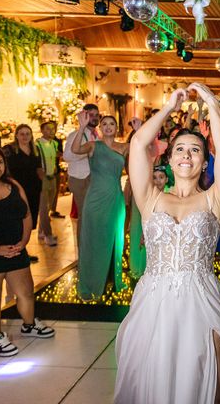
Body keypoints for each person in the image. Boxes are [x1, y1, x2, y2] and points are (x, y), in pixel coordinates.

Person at [115, 84, 220, 403]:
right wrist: (169, 106)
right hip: (154, 302)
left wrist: (211, 100)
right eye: (180, 148)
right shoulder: (150, 198)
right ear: (168, 159)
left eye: (195, 149)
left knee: (207, 385)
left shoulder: (214, 200)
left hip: (201, 300)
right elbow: (140, 142)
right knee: (151, 379)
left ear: (204, 162)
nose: (187, 154)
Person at [0, 146, 54, 357]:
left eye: (0, 162)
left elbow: (26, 214)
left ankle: (29, 325)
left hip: (16, 249)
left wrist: (24, 241)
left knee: (25, 291)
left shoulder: (13, 184)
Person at [71, 114, 129, 300]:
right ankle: (93, 281)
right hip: (95, 200)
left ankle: (112, 280)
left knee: (114, 239)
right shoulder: (93, 145)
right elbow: (74, 149)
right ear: (100, 128)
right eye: (105, 124)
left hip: (115, 198)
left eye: (112, 124)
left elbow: (143, 158)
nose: (109, 127)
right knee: (94, 240)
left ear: (116, 127)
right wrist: (81, 128)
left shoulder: (124, 147)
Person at [3, 124, 43, 263]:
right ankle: (17, 249)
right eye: (22, 134)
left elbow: (39, 168)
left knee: (30, 219)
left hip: (33, 189)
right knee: (18, 219)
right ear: (16, 135)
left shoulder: (35, 149)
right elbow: (4, 169)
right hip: (16, 189)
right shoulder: (9, 149)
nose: (25, 136)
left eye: (28, 133)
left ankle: (24, 247)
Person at [63, 103, 100, 245]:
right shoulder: (75, 135)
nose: (94, 118)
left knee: (92, 216)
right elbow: (67, 156)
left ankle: (92, 247)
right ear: (84, 116)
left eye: (97, 115)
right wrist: (87, 152)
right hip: (80, 179)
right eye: (91, 115)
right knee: (85, 217)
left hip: (93, 180)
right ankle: (83, 253)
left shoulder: (96, 135)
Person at [128, 165, 168, 280]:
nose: (158, 181)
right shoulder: (148, 197)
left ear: (166, 179)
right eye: (154, 178)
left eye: (161, 177)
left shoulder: (169, 196)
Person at [36, 121, 59, 246]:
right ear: (42, 130)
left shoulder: (54, 143)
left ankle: (41, 231)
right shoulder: (37, 144)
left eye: (53, 129)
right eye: (48, 129)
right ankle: (48, 235)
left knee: (48, 206)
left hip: (52, 177)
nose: (51, 131)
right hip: (42, 179)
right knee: (43, 208)